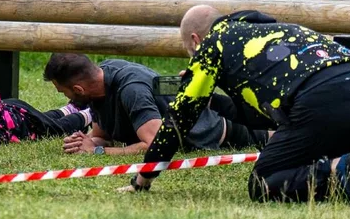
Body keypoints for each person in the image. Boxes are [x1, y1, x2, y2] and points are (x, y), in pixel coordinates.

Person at [125, 5, 350, 205]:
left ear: (195, 40)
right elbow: (263, 117)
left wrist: (143, 179)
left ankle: (339, 169)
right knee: (325, 164)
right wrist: (215, 102)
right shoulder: (276, 31)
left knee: (263, 182)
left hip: (324, 100)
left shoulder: (213, 45)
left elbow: (178, 119)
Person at [42, 53, 266, 157]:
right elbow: (102, 134)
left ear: (79, 89)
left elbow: (156, 144)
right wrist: (86, 142)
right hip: (211, 111)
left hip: (226, 131)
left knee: (279, 134)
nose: (68, 100)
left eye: (65, 92)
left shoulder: (131, 90)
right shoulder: (100, 81)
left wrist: (98, 151)